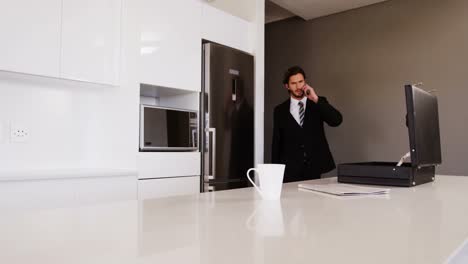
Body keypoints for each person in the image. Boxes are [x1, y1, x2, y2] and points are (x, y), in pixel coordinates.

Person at [272, 66, 343, 182]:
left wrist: (315, 98)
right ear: (287, 86)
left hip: (314, 167)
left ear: (305, 82)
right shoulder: (279, 110)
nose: (298, 86)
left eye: (301, 82)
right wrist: (275, 172)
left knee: (314, 200)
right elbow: (277, 142)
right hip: (290, 170)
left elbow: (337, 120)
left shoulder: (317, 102)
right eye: (293, 83)